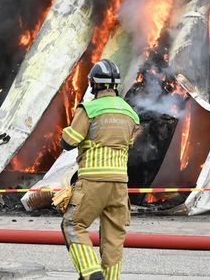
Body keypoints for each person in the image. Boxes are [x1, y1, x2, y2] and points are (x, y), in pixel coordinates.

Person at [59, 58, 139, 280]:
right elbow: (128, 144)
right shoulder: (130, 113)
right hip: (120, 184)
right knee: (114, 237)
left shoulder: (90, 108)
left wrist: (67, 129)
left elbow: (69, 142)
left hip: (93, 181)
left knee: (73, 225)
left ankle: (92, 274)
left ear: (94, 84)